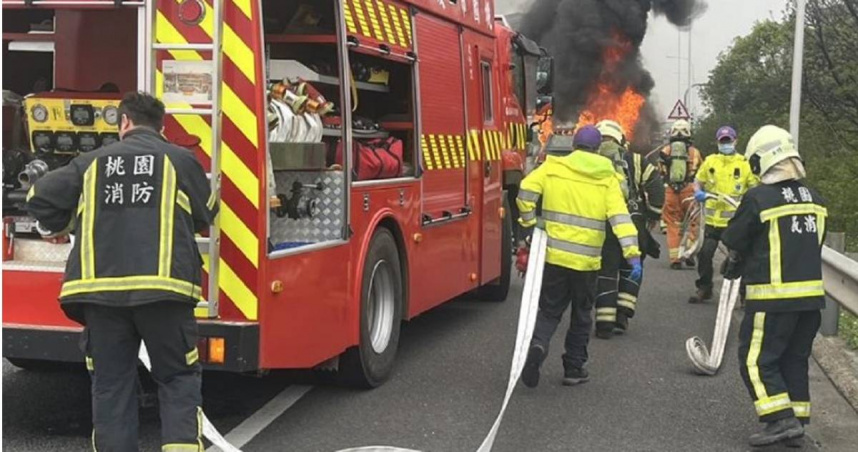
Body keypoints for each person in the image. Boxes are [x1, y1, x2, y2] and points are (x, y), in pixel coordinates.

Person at [26, 92, 218, 451]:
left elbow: (39, 195)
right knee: (177, 378)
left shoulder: (90, 162)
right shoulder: (180, 159)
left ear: (124, 122)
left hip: (101, 297)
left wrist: (65, 223)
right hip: (165, 293)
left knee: (112, 385)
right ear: (161, 126)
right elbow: (207, 210)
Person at [721, 125, 827, 447]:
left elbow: (734, 237)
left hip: (773, 299)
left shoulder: (758, 198)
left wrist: (738, 262)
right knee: (793, 360)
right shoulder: (816, 199)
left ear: (762, 161)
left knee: (755, 360)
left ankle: (780, 420)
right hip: (811, 302)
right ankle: (797, 424)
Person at [515, 126, 642, 388]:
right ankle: (573, 368)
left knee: (550, 310)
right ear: (597, 149)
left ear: (574, 145)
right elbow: (620, 218)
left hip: (554, 257)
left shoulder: (553, 167)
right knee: (582, 315)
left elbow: (525, 190)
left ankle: (538, 345)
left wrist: (530, 223)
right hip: (587, 262)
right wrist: (632, 255)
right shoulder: (608, 177)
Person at [593, 119, 663, 338]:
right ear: (621, 139)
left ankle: (604, 324)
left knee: (606, 272)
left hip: (602, 224)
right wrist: (653, 214)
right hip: (633, 223)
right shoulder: (636, 160)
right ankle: (622, 315)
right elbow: (656, 186)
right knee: (631, 268)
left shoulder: (590, 159)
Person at [688, 126, 757, 303]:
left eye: (728, 141)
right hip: (713, 222)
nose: (726, 144)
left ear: (735, 141)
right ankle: (704, 288)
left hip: (735, 222)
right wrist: (698, 192)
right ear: (718, 142)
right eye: (723, 141)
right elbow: (698, 181)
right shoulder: (710, 162)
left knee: (740, 257)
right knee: (705, 254)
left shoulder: (744, 164)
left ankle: (744, 294)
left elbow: (754, 188)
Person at [659, 119, 703, 269]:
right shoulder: (695, 152)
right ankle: (689, 252)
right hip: (690, 191)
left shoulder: (665, 151)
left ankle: (675, 259)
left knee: (673, 224)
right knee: (694, 222)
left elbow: (661, 171)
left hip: (671, 191)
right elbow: (701, 172)